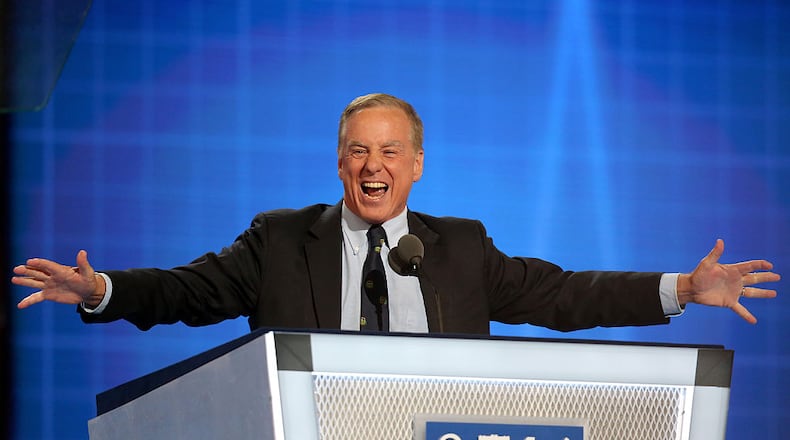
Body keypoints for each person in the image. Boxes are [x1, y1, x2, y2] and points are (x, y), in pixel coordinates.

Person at [12, 93, 780, 335]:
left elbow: (563, 294)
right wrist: (102, 290)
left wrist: (682, 288)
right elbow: (189, 291)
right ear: (340, 162)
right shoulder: (281, 240)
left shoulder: (461, 248)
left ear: (416, 165)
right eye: (357, 151)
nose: (371, 167)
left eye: (389, 152)